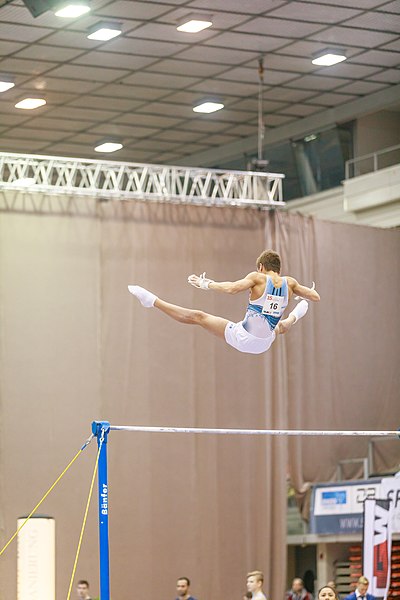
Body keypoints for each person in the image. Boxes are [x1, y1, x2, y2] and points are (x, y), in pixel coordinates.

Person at [128, 249, 320, 355]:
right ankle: (297, 313)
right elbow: (315, 296)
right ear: (278, 268)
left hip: (244, 337)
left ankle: (152, 301)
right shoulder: (290, 283)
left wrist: (207, 284)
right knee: (282, 326)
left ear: (261, 267)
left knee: (199, 317)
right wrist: (300, 295)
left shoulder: (258, 277)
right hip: (265, 343)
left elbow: (232, 288)